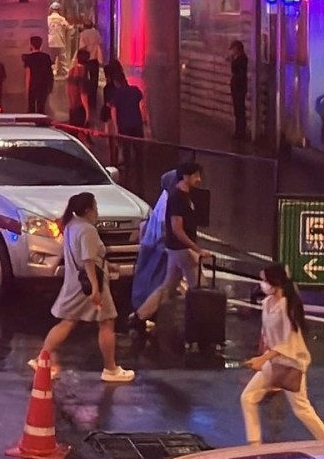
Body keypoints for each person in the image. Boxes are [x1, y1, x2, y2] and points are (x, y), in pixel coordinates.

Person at [35, 192, 134, 383]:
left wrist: (107, 265)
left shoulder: (71, 226)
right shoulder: (88, 230)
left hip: (75, 282)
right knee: (107, 322)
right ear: (88, 209)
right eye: (95, 205)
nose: (97, 210)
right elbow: (88, 260)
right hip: (89, 285)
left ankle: (42, 357)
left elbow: (85, 257)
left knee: (68, 321)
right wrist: (96, 290)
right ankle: (110, 369)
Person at [240, 263, 324, 445]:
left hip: (291, 363)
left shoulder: (287, 306)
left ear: (275, 282)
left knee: (301, 408)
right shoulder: (267, 303)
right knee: (248, 397)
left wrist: (263, 358)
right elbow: (266, 334)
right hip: (273, 362)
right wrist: (261, 357)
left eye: (264, 280)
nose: (262, 284)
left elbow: (289, 341)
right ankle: (254, 444)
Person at [132, 162, 212, 327]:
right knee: (200, 287)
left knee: (168, 286)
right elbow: (177, 229)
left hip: (177, 249)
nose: (199, 179)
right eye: (196, 175)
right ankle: (202, 327)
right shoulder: (176, 198)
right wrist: (197, 249)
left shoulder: (186, 195)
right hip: (181, 250)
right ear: (185, 177)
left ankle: (139, 317)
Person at [129, 167, 180, 331]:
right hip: (161, 249)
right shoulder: (170, 201)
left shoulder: (163, 199)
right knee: (162, 283)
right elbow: (167, 226)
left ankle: (143, 313)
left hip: (153, 246)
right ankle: (142, 314)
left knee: (153, 281)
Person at [22, 36, 54, 114]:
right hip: (44, 84)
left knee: (31, 106)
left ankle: (32, 122)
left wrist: (26, 88)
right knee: (41, 106)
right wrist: (51, 85)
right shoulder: (46, 57)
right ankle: (41, 123)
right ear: (41, 44)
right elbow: (49, 72)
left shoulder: (28, 58)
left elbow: (28, 73)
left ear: (31, 45)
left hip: (33, 84)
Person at [229, 40, 249, 141]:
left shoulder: (242, 59)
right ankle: (238, 130)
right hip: (237, 87)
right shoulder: (240, 58)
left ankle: (240, 132)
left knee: (240, 109)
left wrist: (233, 60)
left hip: (239, 88)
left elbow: (236, 71)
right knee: (238, 110)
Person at [66, 49, 93, 126]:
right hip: (80, 109)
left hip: (72, 107)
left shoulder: (71, 71)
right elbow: (83, 94)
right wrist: (88, 113)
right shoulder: (83, 73)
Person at [46, 3, 70, 77]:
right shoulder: (62, 19)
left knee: (50, 59)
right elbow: (68, 27)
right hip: (60, 41)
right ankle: (63, 73)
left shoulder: (48, 19)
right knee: (62, 59)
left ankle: (49, 72)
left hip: (50, 41)